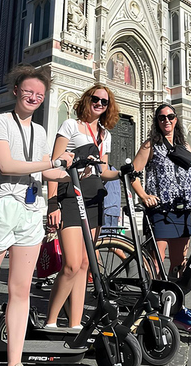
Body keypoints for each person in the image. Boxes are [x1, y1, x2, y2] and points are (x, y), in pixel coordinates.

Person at [0, 65, 74, 366]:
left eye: (39, 94)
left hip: (30, 212)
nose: (34, 97)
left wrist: (70, 171)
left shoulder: (40, 131)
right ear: (16, 92)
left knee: (20, 291)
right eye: (28, 92)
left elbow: (45, 169)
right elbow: (6, 164)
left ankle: (15, 362)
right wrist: (50, 161)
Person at [45, 84, 122, 329]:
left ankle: (75, 323)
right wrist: (52, 204)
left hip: (93, 199)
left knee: (85, 264)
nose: (99, 104)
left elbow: (104, 171)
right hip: (69, 197)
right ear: (86, 100)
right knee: (70, 264)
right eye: (95, 99)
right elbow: (54, 168)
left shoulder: (104, 135)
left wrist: (123, 173)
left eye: (105, 102)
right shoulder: (70, 126)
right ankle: (51, 320)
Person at [131, 103, 191, 331]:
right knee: (157, 262)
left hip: (183, 211)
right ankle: (153, 310)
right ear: (157, 121)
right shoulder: (150, 145)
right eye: (162, 117)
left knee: (179, 265)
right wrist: (144, 195)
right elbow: (133, 174)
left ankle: (175, 308)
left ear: (176, 119)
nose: (166, 120)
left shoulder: (184, 145)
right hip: (161, 212)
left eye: (170, 116)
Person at [102, 167, 122, 235]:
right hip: (113, 210)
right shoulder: (114, 170)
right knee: (113, 238)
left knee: (104, 238)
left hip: (107, 210)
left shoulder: (105, 171)